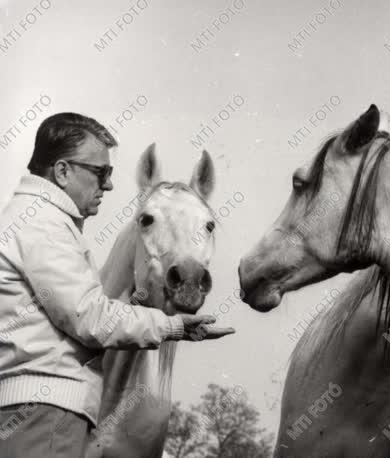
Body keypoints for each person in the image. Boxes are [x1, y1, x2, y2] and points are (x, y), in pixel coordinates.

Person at [0, 112, 233, 458]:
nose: (108, 184)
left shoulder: (40, 220)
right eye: (100, 172)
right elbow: (90, 317)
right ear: (62, 171)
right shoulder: (42, 224)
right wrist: (171, 326)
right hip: (44, 412)